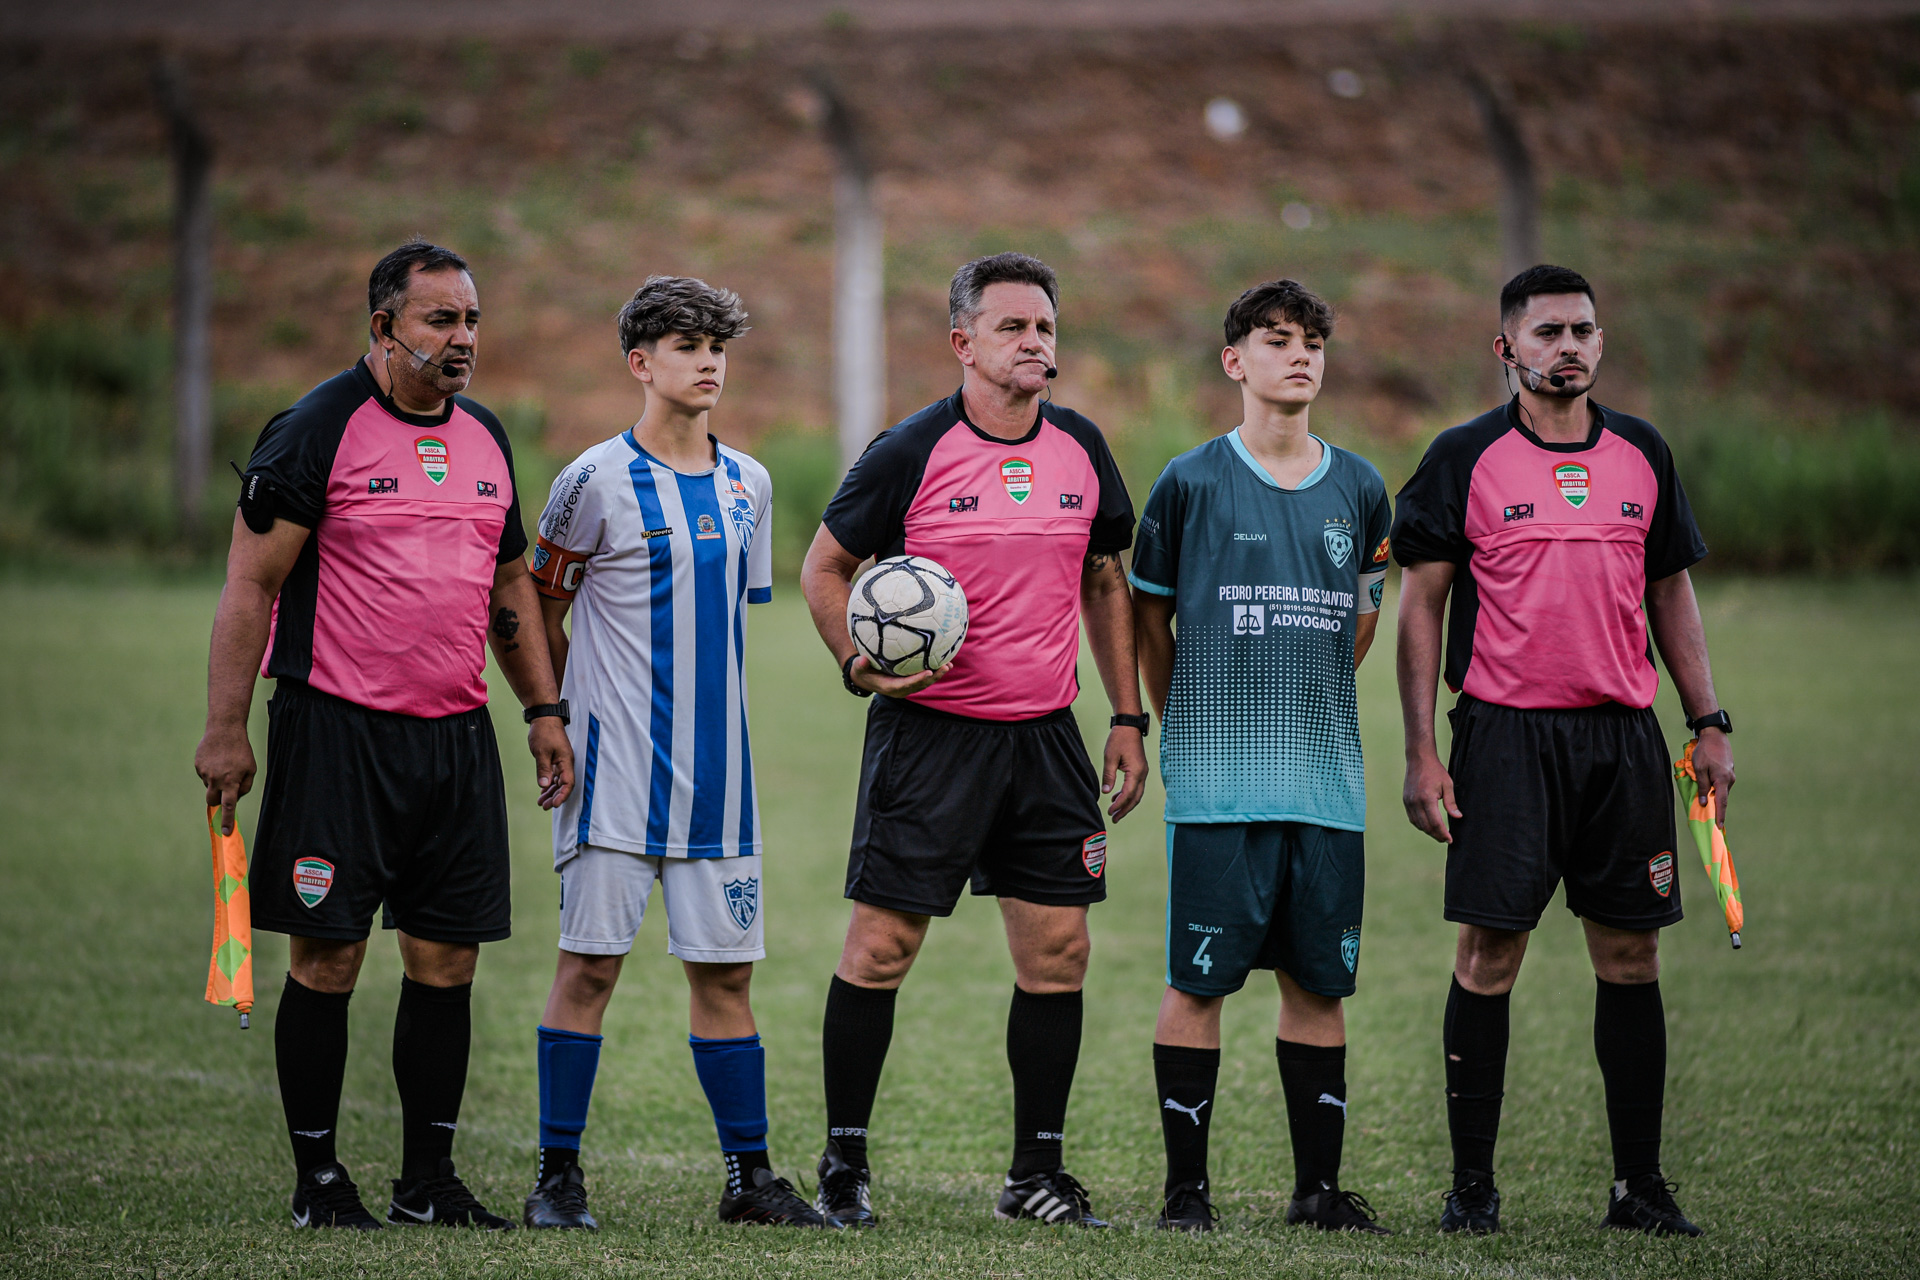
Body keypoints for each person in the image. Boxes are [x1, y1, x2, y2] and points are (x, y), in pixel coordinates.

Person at [193, 239, 574, 1231]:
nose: (462, 339)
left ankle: (426, 1181)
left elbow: (506, 590)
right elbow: (250, 585)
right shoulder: (315, 431)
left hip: (452, 741)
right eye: (441, 320)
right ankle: (319, 1180)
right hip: (336, 734)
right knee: (328, 960)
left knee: (447, 962)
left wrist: (542, 710)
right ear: (384, 326)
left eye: (472, 321)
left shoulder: (487, 439)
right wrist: (224, 729)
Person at [799, 252, 1148, 1228]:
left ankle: (1035, 1170)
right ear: (963, 342)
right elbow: (826, 566)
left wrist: (1126, 715)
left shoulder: (1081, 446)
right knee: (881, 946)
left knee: (1060, 949)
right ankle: (844, 1165)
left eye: (1045, 327)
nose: (1037, 342)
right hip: (929, 739)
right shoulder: (910, 449)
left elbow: (1105, 579)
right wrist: (854, 659)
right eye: (1013, 327)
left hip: (1044, 741)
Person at [1393, 264, 1735, 1237]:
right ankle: (1472, 1187)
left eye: (1582, 329)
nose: (1568, 346)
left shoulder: (1642, 452)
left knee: (1630, 953)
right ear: (1507, 349)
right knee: (1489, 952)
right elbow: (1422, 602)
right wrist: (1422, 748)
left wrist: (1707, 719)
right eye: (1546, 332)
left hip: (1623, 740)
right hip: (1505, 736)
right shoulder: (1464, 456)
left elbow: (1670, 587)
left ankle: (1638, 1186)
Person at [520, 276, 831, 1231]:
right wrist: (551, 715)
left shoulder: (752, 484)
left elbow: (723, 626)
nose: (707, 364)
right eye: (687, 346)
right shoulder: (592, 480)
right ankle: (558, 1178)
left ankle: (749, 1180)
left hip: (720, 785)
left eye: (717, 348)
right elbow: (535, 601)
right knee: (590, 967)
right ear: (640, 362)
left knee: (726, 978)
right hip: (613, 776)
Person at [1131, 280, 1394, 1236]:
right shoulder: (1191, 481)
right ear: (1235, 360)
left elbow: (1361, 617)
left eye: (1314, 341)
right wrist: (1179, 715)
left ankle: (1317, 1192)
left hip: (1328, 784)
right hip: (1217, 786)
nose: (1301, 356)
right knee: (1196, 983)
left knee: (1320, 986)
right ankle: (1184, 1193)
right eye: (1278, 340)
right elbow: (1148, 613)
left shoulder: (1362, 486)